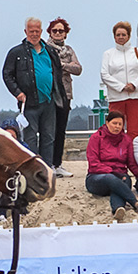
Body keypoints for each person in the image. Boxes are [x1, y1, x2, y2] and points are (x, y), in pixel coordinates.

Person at [2, 17, 67, 165]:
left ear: (41, 31)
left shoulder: (50, 51)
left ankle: (47, 168)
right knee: (30, 138)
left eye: (37, 31)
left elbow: (57, 74)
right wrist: (17, 92)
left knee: (49, 137)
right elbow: (7, 74)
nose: (34, 34)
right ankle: (32, 168)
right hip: (29, 102)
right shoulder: (16, 52)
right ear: (25, 31)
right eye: (31, 31)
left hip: (49, 101)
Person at [85, 110, 138, 222]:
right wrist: (112, 172)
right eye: (114, 123)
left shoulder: (126, 139)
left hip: (120, 178)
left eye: (120, 124)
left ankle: (118, 209)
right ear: (107, 123)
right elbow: (93, 163)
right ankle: (135, 203)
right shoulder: (96, 138)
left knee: (125, 180)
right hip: (97, 178)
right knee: (111, 178)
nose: (117, 127)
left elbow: (131, 163)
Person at [45, 18, 81, 178]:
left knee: (60, 130)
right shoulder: (44, 49)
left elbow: (78, 68)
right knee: (48, 130)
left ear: (66, 34)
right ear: (50, 32)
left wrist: (63, 66)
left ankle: (57, 163)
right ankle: (47, 163)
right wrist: (65, 66)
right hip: (49, 93)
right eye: (55, 30)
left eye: (61, 31)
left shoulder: (69, 50)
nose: (58, 33)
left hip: (65, 93)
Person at [100, 21, 138, 137]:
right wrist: (121, 87)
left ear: (129, 36)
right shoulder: (108, 54)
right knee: (115, 129)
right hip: (116, 97)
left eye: (123, 34)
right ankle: (116, 154)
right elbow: (104, 74)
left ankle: (133, 154)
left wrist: (134, 85)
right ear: (114, 37)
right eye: (118, 35)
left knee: (134, 130)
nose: (121, 37)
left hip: (135, 96)